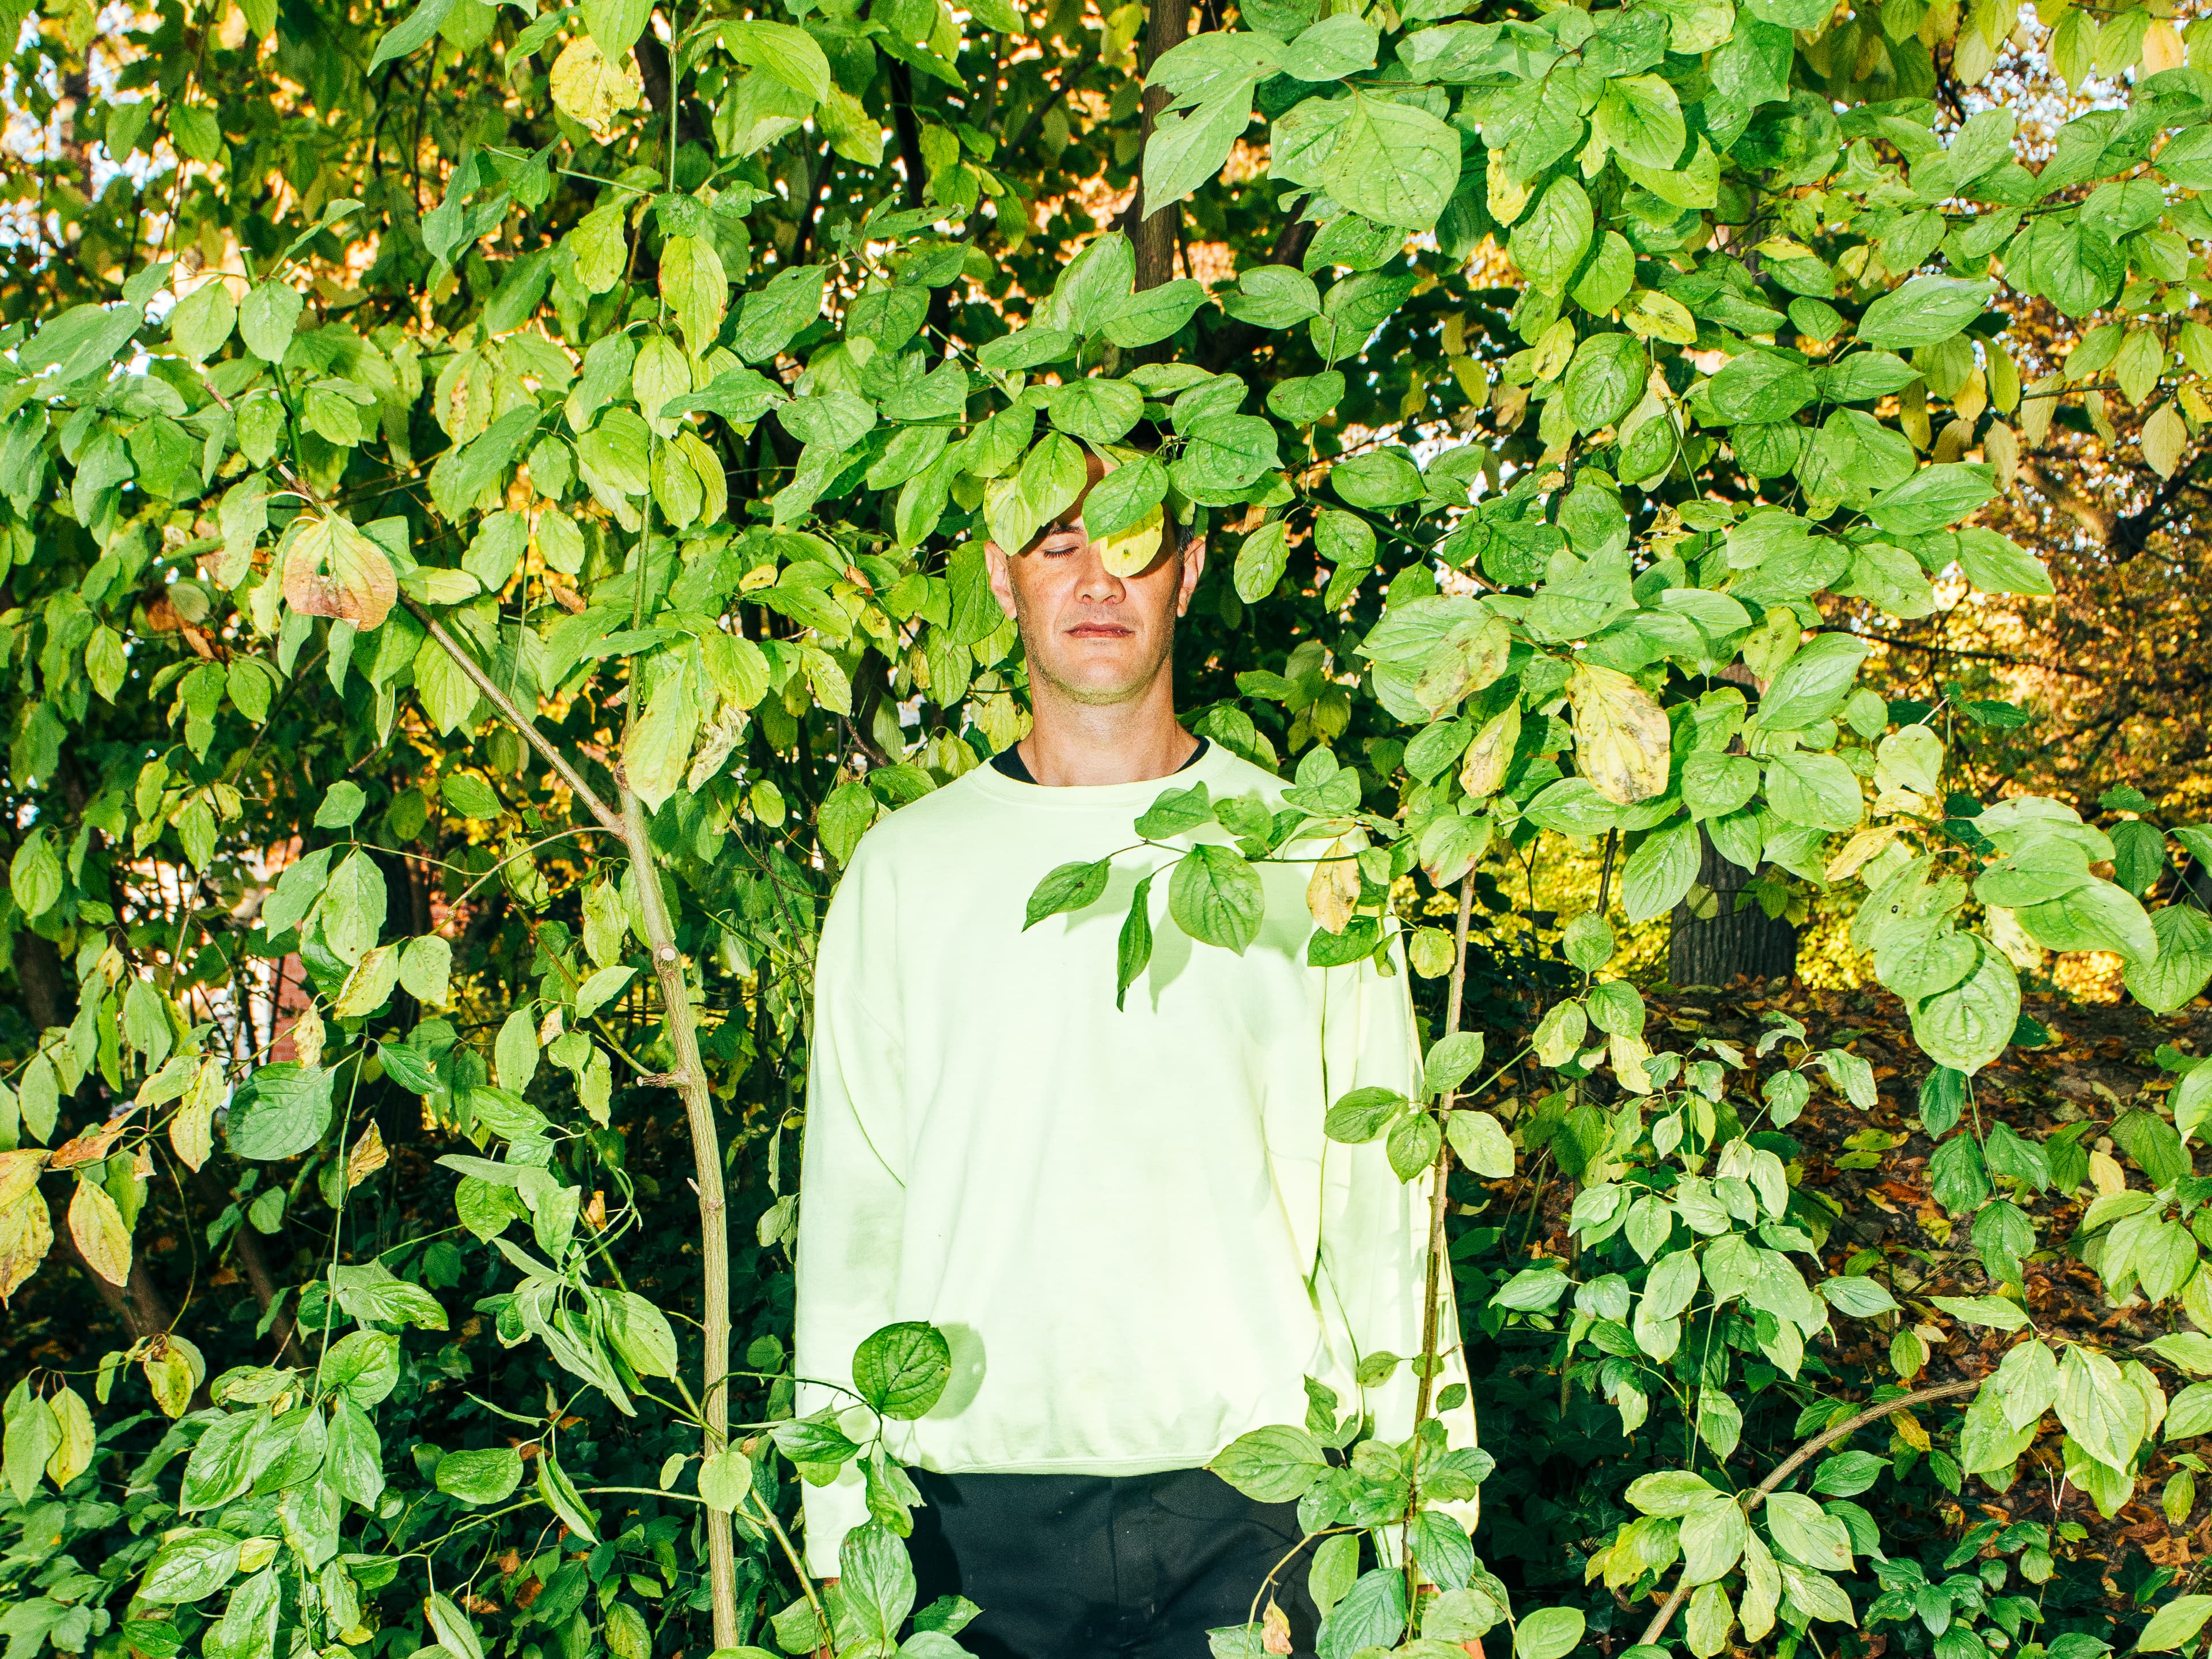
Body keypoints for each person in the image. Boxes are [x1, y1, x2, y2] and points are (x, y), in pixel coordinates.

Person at [792, 448, 1481, 1659]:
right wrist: (851, 1555)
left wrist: (1435, 1553)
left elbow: (1386, 1222)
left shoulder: (1305, 858)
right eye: (1057, 543)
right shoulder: (907, 872)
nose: (1097, 577)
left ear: (1190, 570)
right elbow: (853, 1233)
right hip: (969, 1513)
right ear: (1004, 580)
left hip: (1258, 1507)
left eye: (1132, 542)